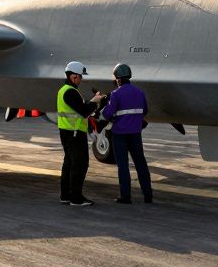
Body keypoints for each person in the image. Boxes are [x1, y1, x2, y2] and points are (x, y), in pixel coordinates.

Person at [101, 63, 152, 204]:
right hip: (135, 133)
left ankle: (126, 196)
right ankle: (148, 196)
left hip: (119, 135)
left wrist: (106, 105)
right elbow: (145, 111)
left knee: (123, 165)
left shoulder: (116, 94)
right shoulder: (139, 92)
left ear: (117, 79)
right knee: (140, 163)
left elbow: (107, 114)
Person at [56, 61, 104, 207]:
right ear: (74, 76)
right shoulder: (70, 92)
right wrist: (95, 101)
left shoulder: (64, 90)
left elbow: (80, 108)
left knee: (69, 164)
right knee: (80, 165)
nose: (81, 79)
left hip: (68, 132)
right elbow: (84, 111)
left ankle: (65, 195)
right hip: (75, 133)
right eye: (80, 76)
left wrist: (91, 103)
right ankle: (76, 198)